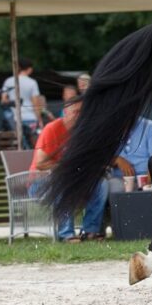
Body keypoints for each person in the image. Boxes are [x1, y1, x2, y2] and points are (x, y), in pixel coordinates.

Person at [30, 95, 109, 242]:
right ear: (65, 113)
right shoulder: (52, 129)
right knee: (64, 182)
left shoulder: (84, 133)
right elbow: (41, 163)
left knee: (101, 184)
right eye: (76, 112)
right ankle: (66, 234)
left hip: (73, 182)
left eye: (83, 112)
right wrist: (69, 169)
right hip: (40, 185)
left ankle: (90, 230)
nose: (80, 116)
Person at [109, 117, 152, 193]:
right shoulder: (108, 128)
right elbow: (98, 160)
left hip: (148, 180)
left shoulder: (149, 127)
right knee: (113, 187)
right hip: (120, 180)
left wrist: (147, 184)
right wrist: (117, 159)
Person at [1, 57, 44, 146]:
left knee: (20, 143)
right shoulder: (32, 82)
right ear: (30, 69)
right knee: (33, 143)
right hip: (30, 117)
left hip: (15, 117)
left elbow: (3, 100)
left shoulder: (8, 81)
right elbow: (35, 103)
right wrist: (39, 119)